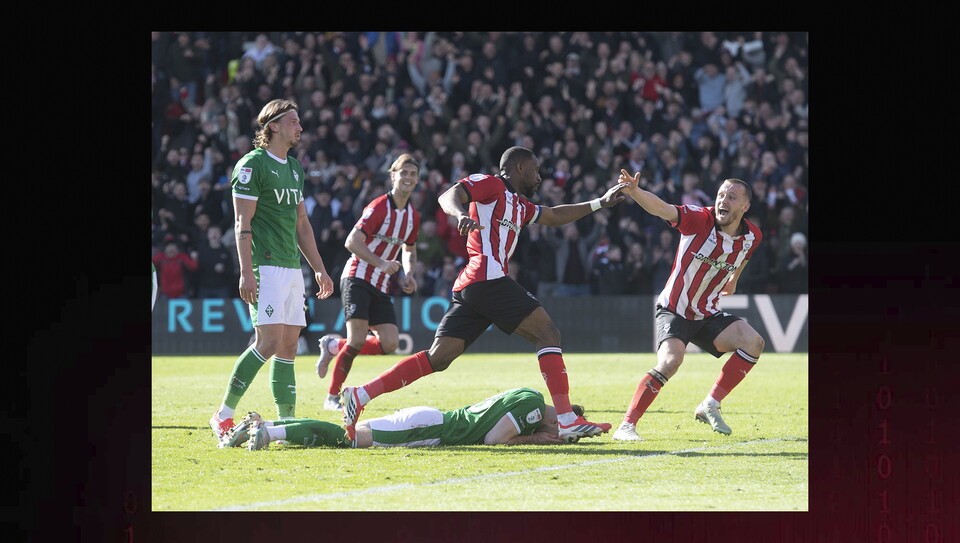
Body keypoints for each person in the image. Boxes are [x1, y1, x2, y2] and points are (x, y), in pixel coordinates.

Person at [339, 146, 629, 443]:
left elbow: (553, 215)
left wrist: (599, 203)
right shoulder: (491, 184)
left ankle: (359, 395)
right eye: (536, 169)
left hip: (475, 286)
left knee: (438, 358)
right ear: (518, 168)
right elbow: (447, 196)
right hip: (486, 277)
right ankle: (567, 420)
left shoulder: (520, 204)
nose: (540, 177)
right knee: (548, 334)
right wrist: (461, 214)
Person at [209, 98, 335, 440]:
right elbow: (241, 222)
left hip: (292, 268)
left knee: (290, 346)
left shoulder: (295, 168)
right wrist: (246, 271)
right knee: (268, 342)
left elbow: (302, 223)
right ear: (274, 126)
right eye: (293, 121)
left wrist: (319, 270)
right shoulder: (251, 165)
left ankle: (286, 423)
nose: (300, 126)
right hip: (264, 265)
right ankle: (223, 415)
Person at [611, 169, 765, 441]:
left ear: (745, 206)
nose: (722, 201)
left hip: (707, 313)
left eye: (731, 197)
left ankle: (710, 404)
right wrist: (635, 191)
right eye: (720, 195)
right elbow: (663, 209)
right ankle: (626, 425)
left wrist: (734, 279)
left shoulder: (753, 236)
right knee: (671, 361)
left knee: (754, 343)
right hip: (674, 309)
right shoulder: (699, 219)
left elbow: (745, 256)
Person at [315, 153, 421, 411]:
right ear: (393, 176)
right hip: (357, 277)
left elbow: (409, 249)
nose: (408, 177)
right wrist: (382, 263)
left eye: (413, 174)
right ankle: (332, 397)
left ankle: (332, 345)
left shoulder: (412, 216)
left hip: (381, 284)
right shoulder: (378, 207)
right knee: (357, 340)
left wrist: (408, 273)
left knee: (390, 343)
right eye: (403, 172)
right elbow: (351, 241)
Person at [219, 387, 582, 450]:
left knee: (350, 435)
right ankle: (268, 430)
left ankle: (265, 428)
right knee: (349, 439)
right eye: (558, 428)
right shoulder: (535, 411)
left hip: (430, 420)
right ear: (556, 420)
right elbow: (493, 441)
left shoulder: (529, 396)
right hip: (431, 430)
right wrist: (538, 439)